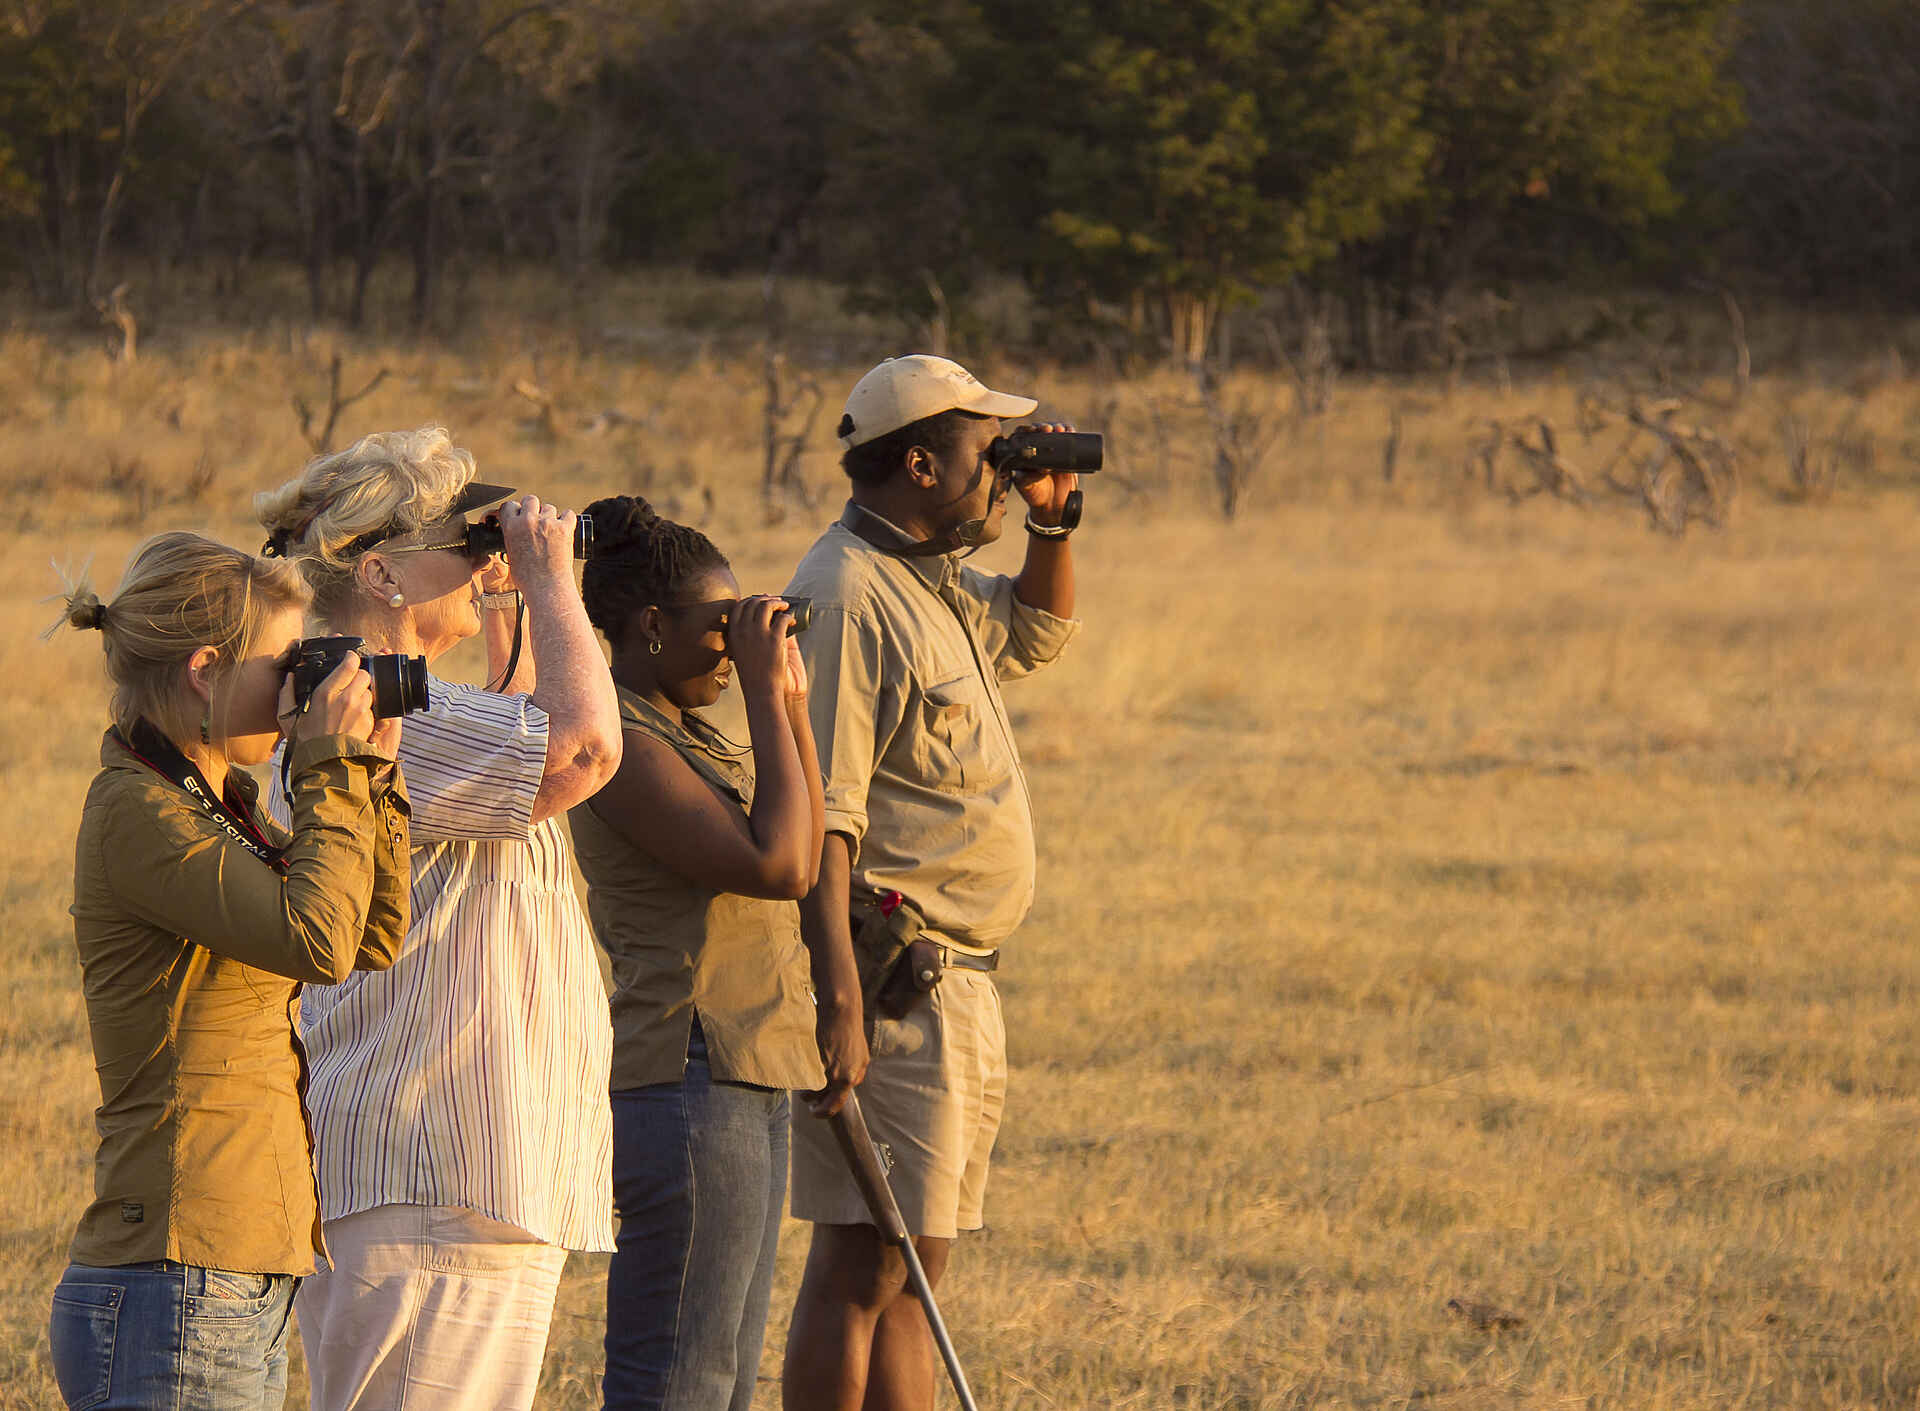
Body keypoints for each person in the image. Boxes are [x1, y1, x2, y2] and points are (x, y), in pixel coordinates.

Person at [253, 427, 623, 1411]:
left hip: (447, 1182)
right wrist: (553, 582)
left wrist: (506, 599)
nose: (487, 558)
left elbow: (528, 717)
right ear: (380, 569)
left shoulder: (393, 700)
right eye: (465, 544)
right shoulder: (372, 709)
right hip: (432, 1180)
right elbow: (579, 747)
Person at [780, 355, 1084, 1411]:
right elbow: (822, 823)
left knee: (912, 1270)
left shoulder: (926, 573)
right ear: (918, 463)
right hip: (893, 979)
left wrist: (1050, 525)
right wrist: (840, 1000)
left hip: (956, 979)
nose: (999, 473)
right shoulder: (846, 594)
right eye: (982, 455)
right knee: (865, 1265)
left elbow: (1037, 636)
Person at [45, 532, 410, 1411]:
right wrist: (324, 764)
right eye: (284, 661)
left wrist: (371, 768)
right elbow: (314, 938)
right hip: (177, 1276)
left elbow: (370, 935)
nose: (298, 685)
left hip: (219, 1272)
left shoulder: (213, 800)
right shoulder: (140, 812)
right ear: (207, 669)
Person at [568, 496, 828, 1411]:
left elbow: (811, 830)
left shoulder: (682, 728)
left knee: (719, 1376)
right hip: (687, 1073)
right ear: (648, 627)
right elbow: (782, 862)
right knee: (678, 1382)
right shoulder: (627, 743)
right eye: (719, 629)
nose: (731, 648)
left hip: (741, 1069)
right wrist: (766, 692)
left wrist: (786, 697)